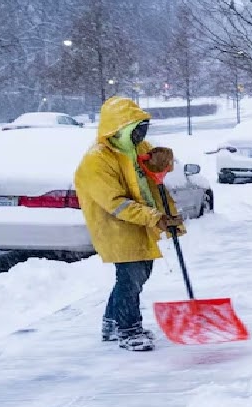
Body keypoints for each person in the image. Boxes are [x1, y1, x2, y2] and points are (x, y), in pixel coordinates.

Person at [74, 96, 183, 352]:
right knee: (130, 277)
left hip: (140, 220)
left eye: (144, 128)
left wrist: (165, 162)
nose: (142, 134)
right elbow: (115, 203)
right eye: (137, 129)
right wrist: (155, 217)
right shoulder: (97, 160)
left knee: (140, 273)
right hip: (115, 225)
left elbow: (153, 178)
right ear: (119, 128)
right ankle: (129, 330)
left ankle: (112, 322)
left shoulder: (139, 147)